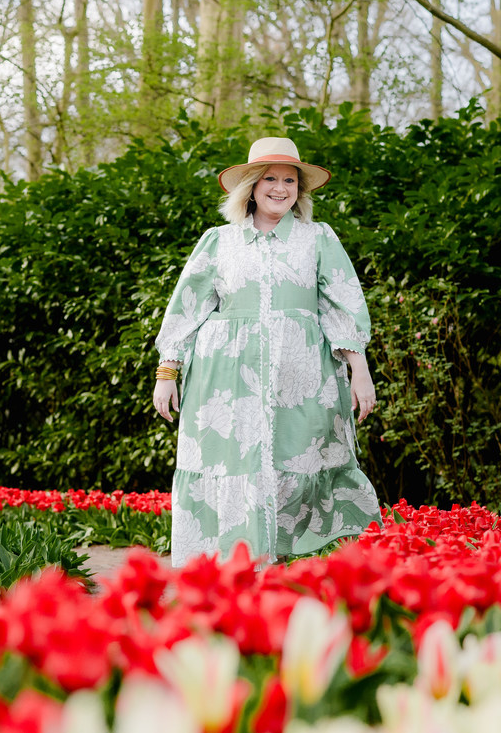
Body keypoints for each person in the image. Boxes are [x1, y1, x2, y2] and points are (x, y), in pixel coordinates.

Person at [152, 137, 381, 567]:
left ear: (299, 189)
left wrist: (360, 371)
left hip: (302, 378)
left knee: (307, 457)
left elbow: (342, 306)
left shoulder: (317, 238)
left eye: (290, 180)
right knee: (232, 468)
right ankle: (235, 573)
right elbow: (187, 308)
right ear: (252, 187)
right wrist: (168, 373)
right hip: (225, 382)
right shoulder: (219, 241)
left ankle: (298, 571)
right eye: (270, 179)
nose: (280, 188)